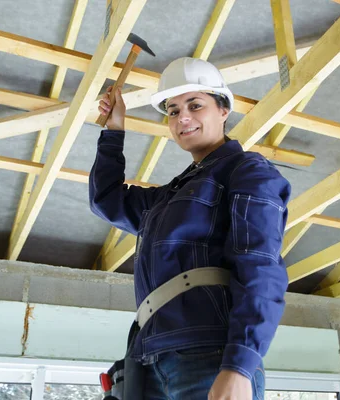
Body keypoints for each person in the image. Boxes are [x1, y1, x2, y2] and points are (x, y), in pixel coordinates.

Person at [89, 57, 291, 400]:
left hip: (208, 354)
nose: (182, 117)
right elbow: (106, 201)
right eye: (172, 110)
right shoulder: (168, 197)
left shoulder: (248, 171)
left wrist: (240, 365)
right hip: (149, 356)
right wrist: (114, 130)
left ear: (223, 111)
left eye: (195, 105)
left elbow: (259, 266)